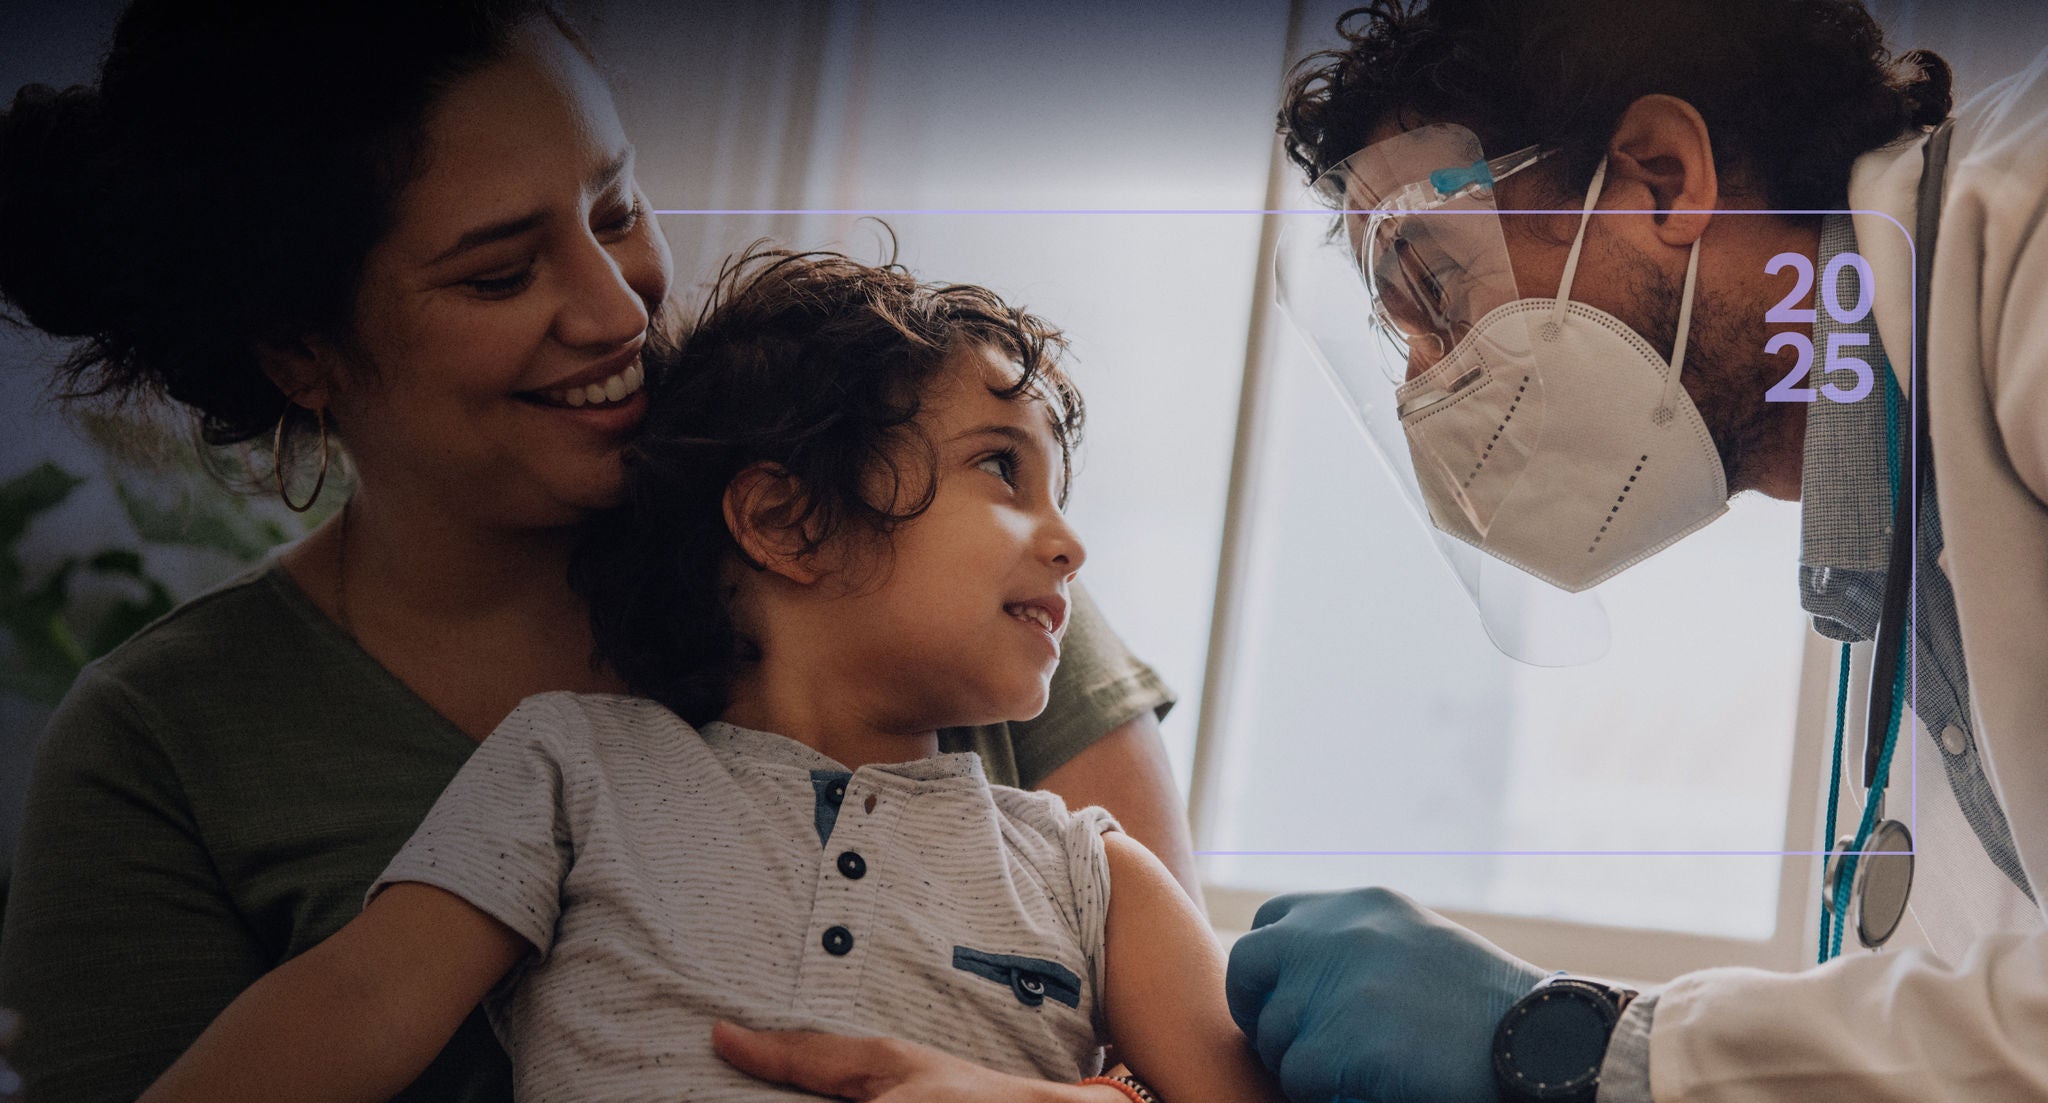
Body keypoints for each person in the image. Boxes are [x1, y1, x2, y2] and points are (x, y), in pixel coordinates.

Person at [0, 4, 1192, 1100]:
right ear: (297, 349)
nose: (618, 309)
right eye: (500, 273)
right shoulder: (160, 750)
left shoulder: (936, 575)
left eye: (615, 209)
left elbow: (1179, 1050)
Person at [136, 243, 1281, 1103]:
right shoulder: (570, 765)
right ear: (783, 520)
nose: (1067, 540)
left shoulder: (1096, 877)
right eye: (1000, 467)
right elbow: (356, 999)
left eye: (1060, 494)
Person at [1220, 1, 2048, 1101]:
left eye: (1435, 287)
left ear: (1660, 179)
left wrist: (1578, 1044)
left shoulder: (2025, 232)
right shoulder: (1888, 584)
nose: (1424, 385)